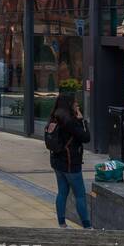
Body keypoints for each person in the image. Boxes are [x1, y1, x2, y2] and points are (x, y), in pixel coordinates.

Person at [44, 92, 92, 228]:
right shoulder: (69, 121)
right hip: (70, 162)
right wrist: (82, 120)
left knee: (62, 192)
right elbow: (86, 137)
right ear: (69, 104)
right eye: (75, 102)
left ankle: (62, 224)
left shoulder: (53, 118)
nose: (77, 104)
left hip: (56, 161)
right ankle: (87, 226)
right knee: (80, 194)